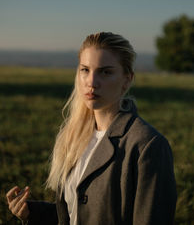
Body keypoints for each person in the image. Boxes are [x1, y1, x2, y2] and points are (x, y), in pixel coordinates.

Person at [6, 32, 177, 225]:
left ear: (126, 80)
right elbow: (77, 212)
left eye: (105, 72)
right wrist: (32, 213)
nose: (92, 82)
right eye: (85, 70)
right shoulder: (74, 136)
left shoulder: (147, 145)